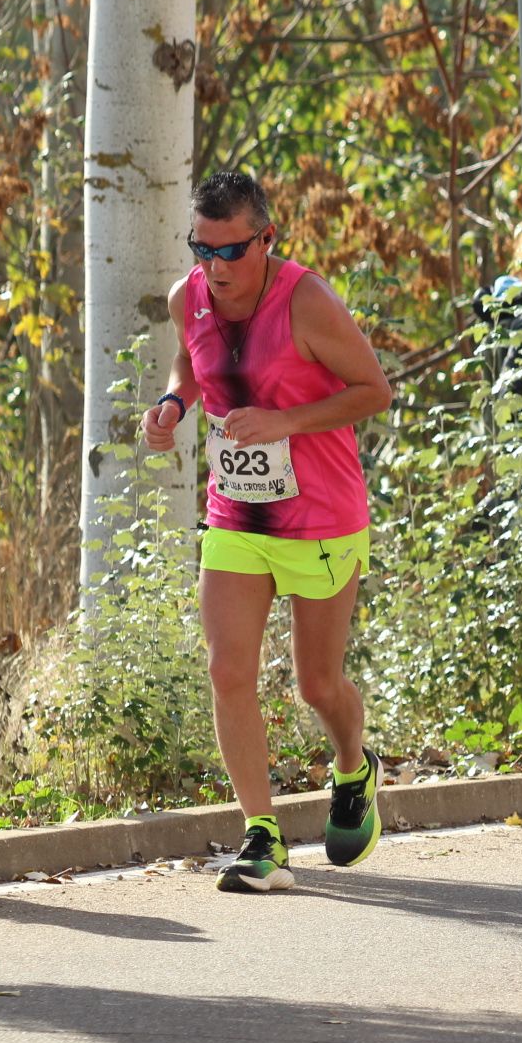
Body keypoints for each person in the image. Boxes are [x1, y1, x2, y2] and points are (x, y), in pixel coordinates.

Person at [142, 172, 393, 891]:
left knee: (317, 684)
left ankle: (354, 765)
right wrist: (170, 404)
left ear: (267, 238)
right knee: (227, 669)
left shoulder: (306, 301)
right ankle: (262, 837)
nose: (216, 268)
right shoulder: (186, 297)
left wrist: (284, 420)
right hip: (237, 514)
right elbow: (191, 364)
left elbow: (374, 390)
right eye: (203, 249)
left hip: (320, 515)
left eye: (232, 251)